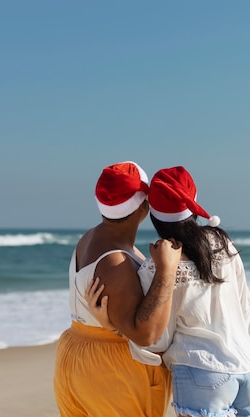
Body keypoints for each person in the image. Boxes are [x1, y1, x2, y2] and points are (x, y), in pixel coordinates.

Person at [87, 165, 250, 417]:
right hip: (248, 367)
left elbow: (157, 339)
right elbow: (246, 306)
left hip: (201, 372)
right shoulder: (223, 244)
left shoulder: (155, 268)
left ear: (152, 215)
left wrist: (113, 326)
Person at [53, 161, 182, 417]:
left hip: (76, 353)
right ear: (144, 205)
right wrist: (167, 270)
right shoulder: (116, 261)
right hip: (110, 367)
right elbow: (146, 335)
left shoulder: (90, 237)